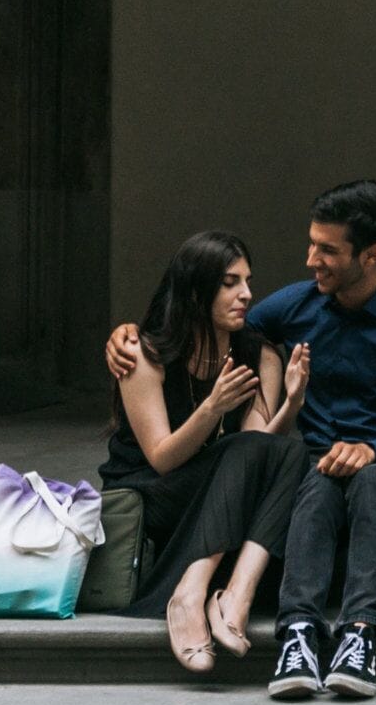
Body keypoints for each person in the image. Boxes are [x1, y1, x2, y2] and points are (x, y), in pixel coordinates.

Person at [127, 181, 376, 702]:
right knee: (314, 479)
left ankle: (360, 633)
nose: (310, 259)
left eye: (327, 250)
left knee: (371, 483)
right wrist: (126, 336)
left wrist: (372, 449)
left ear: (372, 255)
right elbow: (210, 318)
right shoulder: (297, 305)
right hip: (315, 469)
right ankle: (297, 634)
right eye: (311, 243)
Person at [101, 230, 307, 671]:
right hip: (152, 491)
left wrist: (290, 405)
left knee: (290, 453)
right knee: (255, 453)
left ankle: (237, 594)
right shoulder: (143, 352)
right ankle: (190, 596)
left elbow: (263, 451)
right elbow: (161, 457)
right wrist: (212, 407)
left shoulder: (258, 353)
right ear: (196, 291)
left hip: (218, 491)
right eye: (230, 283)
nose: (246, 294)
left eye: (248, 281)